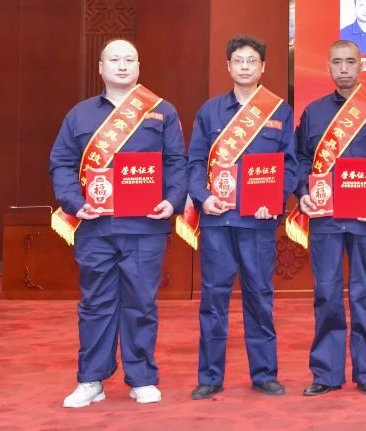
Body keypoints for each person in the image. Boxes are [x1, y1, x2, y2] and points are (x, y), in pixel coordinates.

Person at [50, 39, 187, 408]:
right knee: (95, 303)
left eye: (129, 60)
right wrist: (75, 202)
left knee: (141, 303)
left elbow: (177, 162)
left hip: (145, 226)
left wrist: (172, 200)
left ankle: (142, 378)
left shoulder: (161, 111)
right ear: (101, 68)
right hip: (96, 226)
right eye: (114, 59)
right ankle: (90, 379)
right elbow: (61, 163)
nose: (122, 65)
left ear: (139, 67)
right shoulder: (79, 115)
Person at [293, 40, 366, 396]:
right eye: (337, 62)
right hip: (325, 219)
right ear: (328, 66)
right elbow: (298, 160)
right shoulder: (313, 113)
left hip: (364, 219)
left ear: (361, 65)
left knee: (363, 295)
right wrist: (303, 192)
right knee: (326, 294)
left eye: (350, 62)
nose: (344, 68)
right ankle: (326, 374)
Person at [186, 35, 297, 401]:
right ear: (228, 66)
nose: (245, 66)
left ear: (263, 67)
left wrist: (275, 199)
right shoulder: (210, 111)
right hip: (218, 222)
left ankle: (264, 374)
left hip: (258, 223)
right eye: (239, 60)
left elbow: (290, 165)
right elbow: (194, 163)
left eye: (252, 61)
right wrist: (203, 197)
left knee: (259, 298)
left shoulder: (278, 111)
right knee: (213, 300)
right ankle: (210, 377)